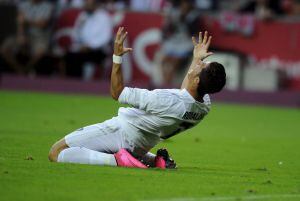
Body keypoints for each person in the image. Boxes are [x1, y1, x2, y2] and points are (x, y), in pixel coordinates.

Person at [48, 27, 226, 169]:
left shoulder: (165, 100)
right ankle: (153, 159)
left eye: (202, 64)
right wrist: (196, 59)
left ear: (196, 80)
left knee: (57, 152)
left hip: (122, 131)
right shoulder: (204, 106)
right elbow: (186, 93)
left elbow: (117, 92)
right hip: (143, 143)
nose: (199, 63)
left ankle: (118, 160)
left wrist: (117, 57)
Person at [0, 0, 53, 74]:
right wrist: (21, 35)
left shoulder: (48, 6)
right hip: (23, 34)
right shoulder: (23, 5)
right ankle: (18, 69)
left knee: (41, 51)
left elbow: (42, 24)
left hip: (39, 36)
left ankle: (26, 69)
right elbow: (20, 23)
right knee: (4, 49)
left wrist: (26, 21)